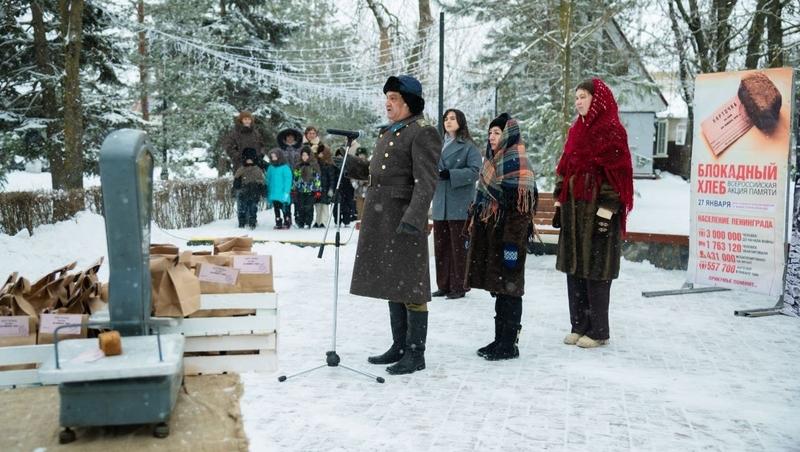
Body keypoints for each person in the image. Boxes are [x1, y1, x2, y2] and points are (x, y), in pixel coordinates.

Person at [340, 75, 441, 375]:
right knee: (393, 281)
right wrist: (347, 160)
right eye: (387, 97)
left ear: (409, 103)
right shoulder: (389, 132)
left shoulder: (422, 132)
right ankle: (399, 346)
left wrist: (414, 218)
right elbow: (377, 173)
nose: (388, 103)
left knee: (411, 285)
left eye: (394, 98)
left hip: (404, 217)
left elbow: (426, 181)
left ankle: (415, 353)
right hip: (382, 217)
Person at [552, 78, 633, 349]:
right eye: (576, 97)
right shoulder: (576, 130)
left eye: (583, 96)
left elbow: (618, 178)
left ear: (597, 100)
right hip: (574, 213)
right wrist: (559, 202)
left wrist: (606, 213)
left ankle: (598, 331)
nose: (578, 102)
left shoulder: (612, 131)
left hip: (598, 216)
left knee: (596, 275)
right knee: (575, 271)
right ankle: (578, 325)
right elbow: (564, 168)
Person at [465, 113, 537, 361]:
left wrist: (512, 245)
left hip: (509, 239)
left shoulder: (519, 163)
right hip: (492, 237)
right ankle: (499, 339)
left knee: (511, 290)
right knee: (499, 289)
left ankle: (509, 344)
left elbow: (522, 211)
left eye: (497, 133)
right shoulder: (492, 161)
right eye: (490, 133)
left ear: (508, 135)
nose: (492, 137)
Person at [431, 109, 482, 300]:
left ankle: (459, 285)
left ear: (461, 121)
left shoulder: (469, 146)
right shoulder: (437, 145)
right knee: (441, 247)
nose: (448, 121)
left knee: (459, 248)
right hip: (440, 202)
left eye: (452, 118)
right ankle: (443, 285)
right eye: (446, 119)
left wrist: (451, 174)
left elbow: (475, 172)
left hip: (459, 203)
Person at [273, 128, 303, 226]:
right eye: (288, 137)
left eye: (292, 137)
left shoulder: (300, 149)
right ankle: (287, 217)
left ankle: (298, 216)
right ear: (285, 138)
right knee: (286, 197)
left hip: (297, 175)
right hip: (284, 177)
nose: (290, 139)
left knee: (298, 198)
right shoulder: (280, 150)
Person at [233, 148, 267, 229]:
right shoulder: (241, 169)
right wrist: (237, 183)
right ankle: (242, 221)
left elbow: (261, 180)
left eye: (251, 159)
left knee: (253, 208)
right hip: (243, 191)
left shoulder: (257, 169)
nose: (249, 161)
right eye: (247, 160)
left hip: (254, 191)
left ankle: (252, 221)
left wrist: (262, 188)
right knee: (242, 208)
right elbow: (236, 178)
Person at [292, 146, 322, 229]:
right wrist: (294, 188)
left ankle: (308, 222)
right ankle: (300, 222)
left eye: (306, 155)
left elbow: (317, 178)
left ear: (309, 155)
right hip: (300, 189)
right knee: (300, 207)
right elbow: (295, 177)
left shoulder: (314, 165)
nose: (304, 157)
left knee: (309, 207)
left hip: (311, 189)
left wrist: (317, 189)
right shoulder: (298, 165)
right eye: (303, 155)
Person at [265, 149, 293, 229]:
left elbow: (288, 180)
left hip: (282, 193)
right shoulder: (270, 168)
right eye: (272, 157)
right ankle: (278, 221)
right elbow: (268, 179)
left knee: (285, 209)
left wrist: (286, 192)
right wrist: (268, 190)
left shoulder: (285, 168)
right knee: (276, 209)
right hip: (274, 193)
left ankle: (287, 221)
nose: (274, 158)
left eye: (275, 156)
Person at [333, 147, 357, 227]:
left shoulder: (348, 165)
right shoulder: (333, 165)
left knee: (347, 206)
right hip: (337, 187)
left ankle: (346, 221)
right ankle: (337, 221)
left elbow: (351, 175)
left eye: (341, 156)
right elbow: (332, 177)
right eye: (338, 156)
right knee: (337, 205)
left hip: (347, 188)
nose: (339, 157)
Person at [314, 145, 337, 228]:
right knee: (318, 205)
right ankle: (318, 221)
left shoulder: (329, 164)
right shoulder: (316, 163)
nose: (320, 154)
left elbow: (332, 178)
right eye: (319, 153)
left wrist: (331, 188)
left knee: (325, 206)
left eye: (321, 153)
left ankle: (323, 221)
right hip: (318, 187)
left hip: (326, 188)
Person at [353, 148, 370, 220]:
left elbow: (371, 175)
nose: (361, 156)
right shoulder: (355, 165)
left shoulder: (369, 164)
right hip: (358, 190)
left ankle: (365, 221)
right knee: (359, 208)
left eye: (362, 154)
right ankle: (359, 221)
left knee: (367, 208)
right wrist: (356, 184)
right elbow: (353, 177)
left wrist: (368, 182)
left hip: (367, 189)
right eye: (359, 155)